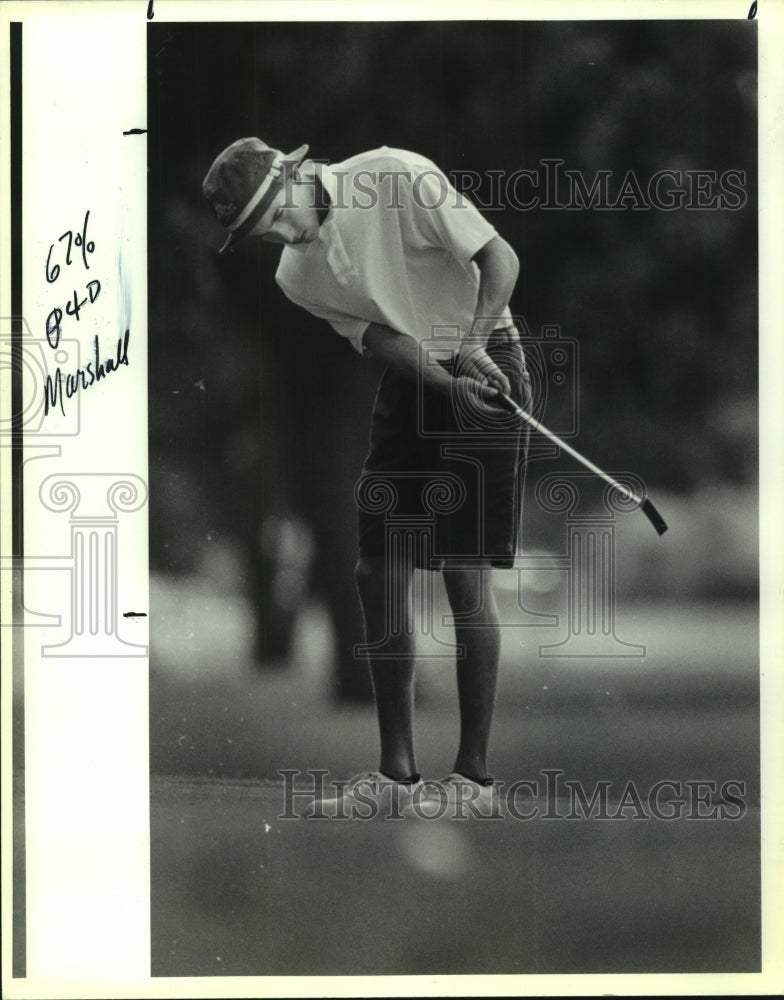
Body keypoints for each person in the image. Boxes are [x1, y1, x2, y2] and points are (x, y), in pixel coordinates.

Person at [203, 138, 531, 814]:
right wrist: (441, 380)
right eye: (260, 232)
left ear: (295, 172)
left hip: (490, 355)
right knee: (376, 569)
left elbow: (500, 256)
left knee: (462, 573)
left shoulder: (395, 173)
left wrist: (471, 344)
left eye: (277, 213)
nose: (280, 234)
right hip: (416, 380)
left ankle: (472, 780)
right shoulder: (293, 278)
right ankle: (394, 777)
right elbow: (379, 336)